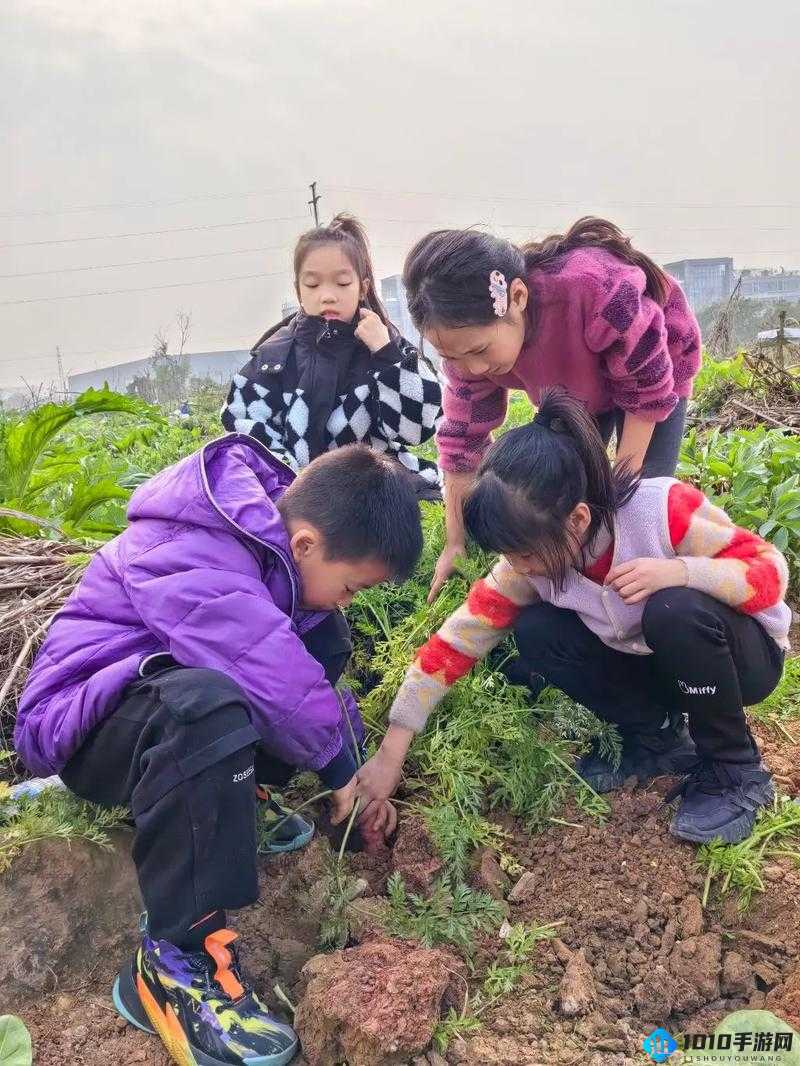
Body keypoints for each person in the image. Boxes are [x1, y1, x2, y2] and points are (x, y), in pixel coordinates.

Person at [14, 437, 421, 1066]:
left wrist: (359, 761)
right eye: (350, 586)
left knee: (323, 640)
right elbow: (264, 666)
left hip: (150, 707)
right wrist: (341, 767)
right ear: (307, 543)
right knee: (207, 707)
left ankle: (232, 799)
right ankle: (175, 960)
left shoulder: (268, 552)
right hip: (85, 725)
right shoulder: (192, 544)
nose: (348, 599)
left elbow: (304, 674)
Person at [356, 389, 791, 848]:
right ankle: (658, 739)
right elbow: (455, 642)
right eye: (509, 555)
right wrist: (391, 752)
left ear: (578, 519)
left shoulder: (659, 510)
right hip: (664, 669)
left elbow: (770, 573)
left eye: (523, 553)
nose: (518, 567)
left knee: (673, 609)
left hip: (742, 662)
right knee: (538, 629)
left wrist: (681, 571)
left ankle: (735, 769)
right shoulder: (533, 564)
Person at [401, 217, 702, 600]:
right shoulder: (467, 358)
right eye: (452, 357)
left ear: (518, 298)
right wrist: (455, 544)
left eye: (480, 351)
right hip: (575, 388)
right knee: (568, 491)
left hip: (655, 371)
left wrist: (618, 499)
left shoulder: (594, 290)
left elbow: (646, 392)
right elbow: (461, 445)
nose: (473, 368)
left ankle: (654, 588)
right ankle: (578, 590)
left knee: (641, 499)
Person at [222, 213, 443, 500]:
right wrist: (292, 480)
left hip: (378, 485)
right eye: (313, 285)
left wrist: (387, 354)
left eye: (341, 283)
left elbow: (417, 429)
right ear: (298, 290)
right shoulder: (274, 356)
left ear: (362, 288)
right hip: (298, 492)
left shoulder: (384, 343)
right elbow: (244, 425)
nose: (327, 296)